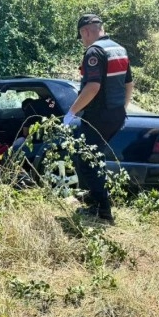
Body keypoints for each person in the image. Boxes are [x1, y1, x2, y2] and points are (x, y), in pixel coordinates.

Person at [63, 14, 134, 222]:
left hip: (98, 115)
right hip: (116, 114)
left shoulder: (95, 51)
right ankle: (96, 197)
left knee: (87, 159)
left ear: (85, 31)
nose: (83, 41)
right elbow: (129, 84)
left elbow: (92, 87)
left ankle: (101, 210)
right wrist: (121, 109)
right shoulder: (118, 49)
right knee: (96, 157)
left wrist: (71, 112)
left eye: (82, 37)